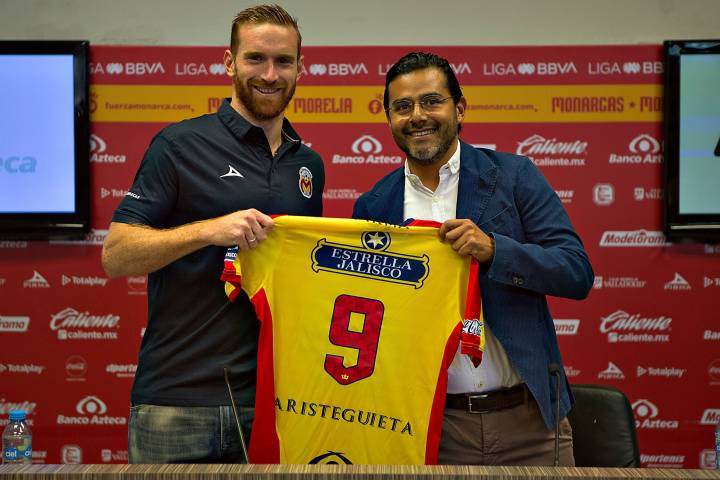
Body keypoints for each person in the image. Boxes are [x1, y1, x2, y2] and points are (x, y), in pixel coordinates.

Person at [101, 5, 324, 463]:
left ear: (300, 68)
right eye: (255, 58)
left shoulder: (309, 164)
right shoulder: (179, 144)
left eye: (283, 61)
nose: (270, 74)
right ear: (229, 62)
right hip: (177, 403)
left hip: (275, 403)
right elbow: (116, 255)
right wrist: (208, 230)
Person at [352, 52, 593, 466]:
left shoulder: (515, 176)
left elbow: (575, 271)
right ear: (388, 118)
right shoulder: (373, 206)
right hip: (430, 428)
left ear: (459, 108)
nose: (417, 116)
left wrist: (496, 250)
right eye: (403, 106)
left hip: (530, 426)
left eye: (431, 101)